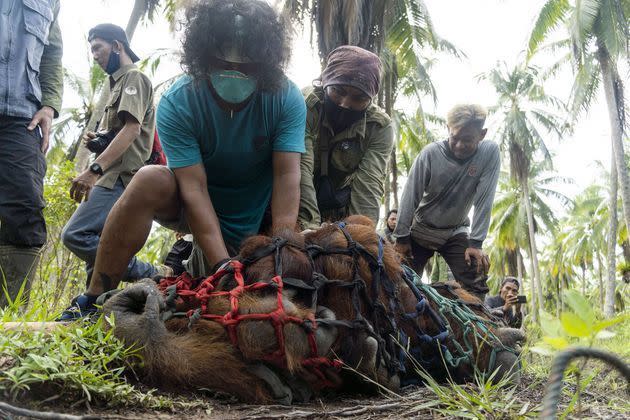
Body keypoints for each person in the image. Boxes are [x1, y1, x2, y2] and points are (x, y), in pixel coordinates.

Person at [58, 0, 306, 320]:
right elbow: (194, 190)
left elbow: (287, 178)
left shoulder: (286, 99)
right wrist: (221, 267)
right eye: (221, 62)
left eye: (246, 67)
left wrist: (279, 254)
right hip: (194, 207)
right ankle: (91, 299)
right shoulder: (179, 102)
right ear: (203, 57)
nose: (234, 72)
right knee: (148, 179)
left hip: (260, 216)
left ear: (265, 64)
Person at [61, 24, 165, 288]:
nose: (94, 55)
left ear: (117, 45)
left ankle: (149, 273)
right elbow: (124, 131)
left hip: (120, 177)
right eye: (92, 50)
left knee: (75, 234)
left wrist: (94, 169)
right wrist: (100, 141)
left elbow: (132, 129)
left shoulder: (134, 79)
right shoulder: (117, 83)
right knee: (97, 237)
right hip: (113, 174)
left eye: (98, 47)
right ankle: (93, 309)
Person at [393, 104, 500, 301]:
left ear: (482, 134)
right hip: (421, 229)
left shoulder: (489, 153)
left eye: (467, 140)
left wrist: (476, 243)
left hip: (455, 231)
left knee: (475, 276)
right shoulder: (431, 153)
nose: (459, 145)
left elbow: (485, 198)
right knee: (398, 282)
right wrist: (401, 238)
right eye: (455, 138)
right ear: (448, 129)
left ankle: (481, 327)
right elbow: (410, 195)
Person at [0, 0, 63, 307]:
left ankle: (8, 314)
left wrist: (50, 104)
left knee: (25, 206)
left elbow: (52, 53)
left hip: (21, 117)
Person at [298, 46, 394, 229]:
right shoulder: (304, 106)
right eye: (338, 91)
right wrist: (310, 227)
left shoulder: (379, 127)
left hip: (334, 207)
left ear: (370, 100)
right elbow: (300, 169)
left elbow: (368, 186)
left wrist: (360, 236)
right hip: (292, 197)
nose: (345, 104)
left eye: (358, 98)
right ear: (324, 82)